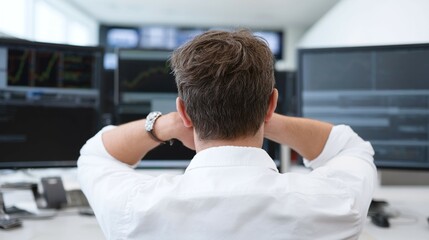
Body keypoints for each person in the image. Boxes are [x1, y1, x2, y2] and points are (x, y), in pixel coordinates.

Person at [78, 29, 376, 240]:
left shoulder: (133, 207)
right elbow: (348, 147)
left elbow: (96, 154)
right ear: (271, 103)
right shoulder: (334, 204)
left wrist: (165, 125)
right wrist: (256, 112)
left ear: (183, 112)